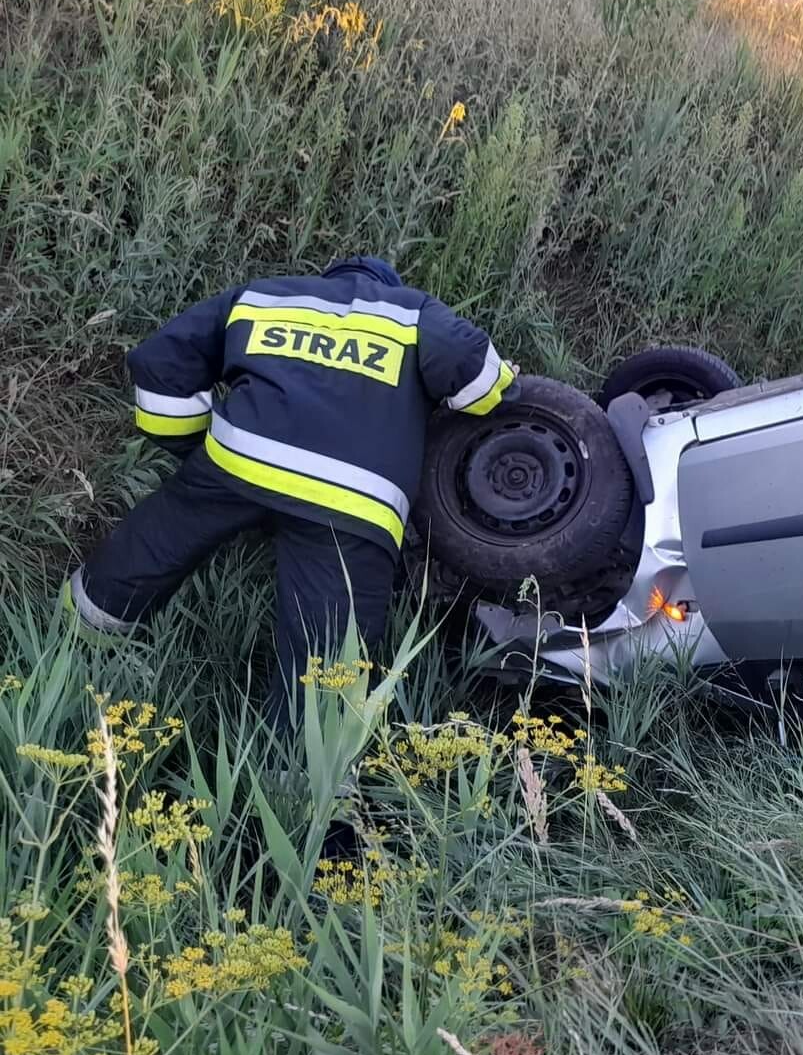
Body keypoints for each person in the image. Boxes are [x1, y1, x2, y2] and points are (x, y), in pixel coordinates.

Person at [65, 256, 516, 730]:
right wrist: (502, 384)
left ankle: (77, 635)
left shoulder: (263, 295)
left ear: (327, 279)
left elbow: (160, 365)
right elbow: (478, 379)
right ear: (385, 285)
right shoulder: (412, 311)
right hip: (354, 496)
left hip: (242, 458)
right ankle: (298, 777)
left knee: (156, 541)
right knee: (328, 648)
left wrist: (197, 450)